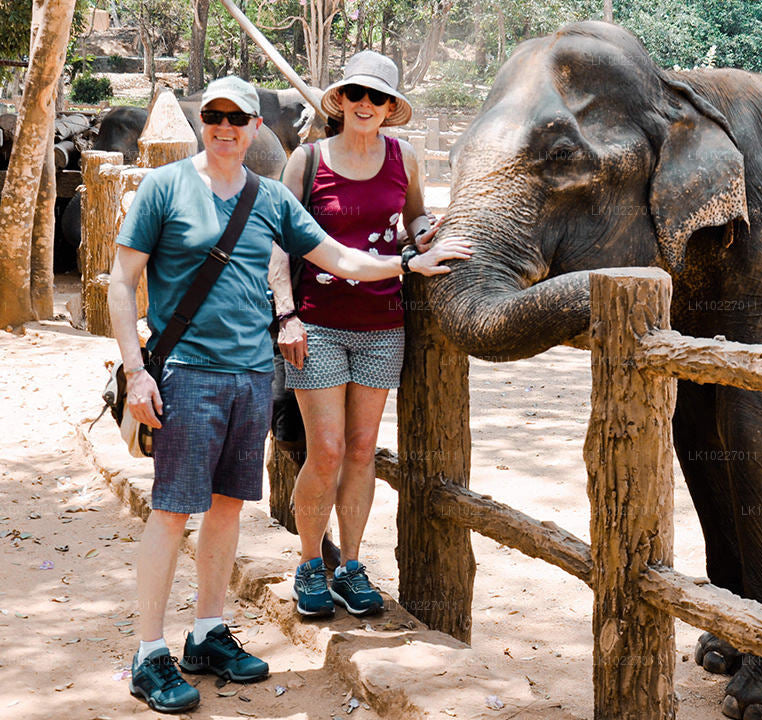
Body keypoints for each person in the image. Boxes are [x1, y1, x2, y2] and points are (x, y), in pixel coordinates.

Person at [108, 75, 469, 714]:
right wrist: (136, 371)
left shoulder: (269, 197)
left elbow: (341, 258)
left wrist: (407, 265)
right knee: (171, 512)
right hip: (186, 373)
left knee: (225, 510)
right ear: (202, 121)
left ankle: (207, 634)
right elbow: (121, 282)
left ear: (256, 128)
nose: (224, 127)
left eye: (237, 118)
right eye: (213, 115)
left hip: (251, 374)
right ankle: (147, 652)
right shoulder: (165, 188)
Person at [270, 51, 437, 619]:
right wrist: (285, 314)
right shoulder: (308, 160)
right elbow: (278, 244)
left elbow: (412, 218)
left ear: (391, 109)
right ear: (339, 101)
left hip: (382, 324)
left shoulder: (405, 159)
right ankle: (311, 564)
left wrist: (427, 232)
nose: (366, 104)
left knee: (363, 451)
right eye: (357, 94)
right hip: (315, 324)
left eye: (378, 97)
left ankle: (352, 565)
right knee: (328, 451)